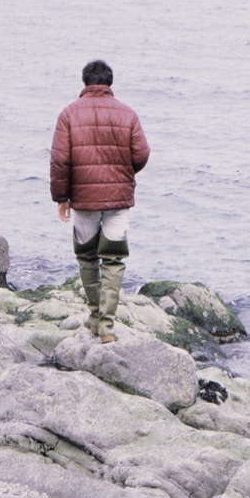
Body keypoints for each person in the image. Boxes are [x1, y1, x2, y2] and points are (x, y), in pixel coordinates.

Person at [50, 60, 149, 343]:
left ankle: (95, 318)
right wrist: (123, 173)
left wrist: (61, 198)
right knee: (114, 260)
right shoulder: (128, 114)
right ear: (109, 84)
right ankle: (106, 326)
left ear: (84, 84)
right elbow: (141, 154)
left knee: (86, 256)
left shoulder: (68, 114)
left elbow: (60, 160)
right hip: (118, 199)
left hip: (83, 199)